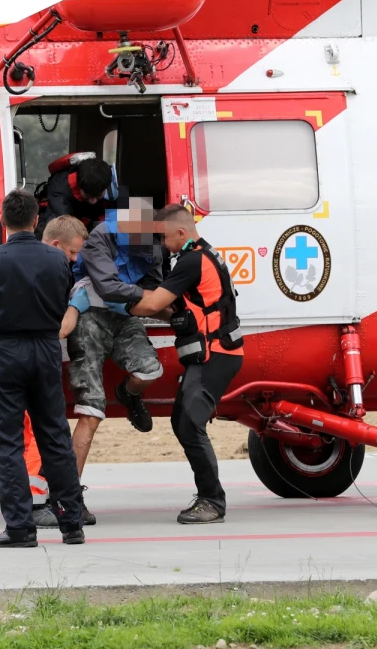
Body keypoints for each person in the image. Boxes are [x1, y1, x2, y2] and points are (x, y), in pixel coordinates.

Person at [0, 189, 85, 548]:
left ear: (2, 220)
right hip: (46, 350)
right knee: (55, 437)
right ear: (36, 221)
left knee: (7, 441)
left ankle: (19, 527)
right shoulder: (57, 260)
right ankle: (72, 524)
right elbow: (63, 298)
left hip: (5, 351)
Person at [34, 198, 164, 529]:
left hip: (122, 315)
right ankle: (66, 500)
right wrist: (145, 300)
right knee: (90, 412)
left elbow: (154, 285)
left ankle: (128, 394)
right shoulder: (99, 239)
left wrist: (148, 302)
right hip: (88, 319)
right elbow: (107, 287)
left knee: (150, 370)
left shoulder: (151, 245)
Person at [130, 204, 244, 525]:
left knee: (190, 424)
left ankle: (212, 501)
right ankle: (208, 495)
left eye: (164, 238)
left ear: (181, 233)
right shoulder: (198, 255)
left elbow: (153, 304)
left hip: (217, 355)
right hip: (211, 354)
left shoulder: (193, 261)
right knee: (181, 421)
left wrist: (114, 296)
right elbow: (173, 310)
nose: (162, 245)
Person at [19, 215, 90, 514]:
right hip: (35, 361)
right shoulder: (50, 271)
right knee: (41, 430)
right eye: (72, 253)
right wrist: (74, 308)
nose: (74, 260)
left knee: (22, 433)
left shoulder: (11, 261)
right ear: (56, 244)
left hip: (7, 360)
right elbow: (56, 329)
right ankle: (37, 500)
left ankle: (24, 499)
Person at [35, 154, 114, 238]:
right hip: (61, 218)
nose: (93, 201)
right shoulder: (59, 189)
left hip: (92, 221)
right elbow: (64, 226)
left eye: (98, 195)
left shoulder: (111, 183)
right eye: (87, 195)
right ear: (78, 186)